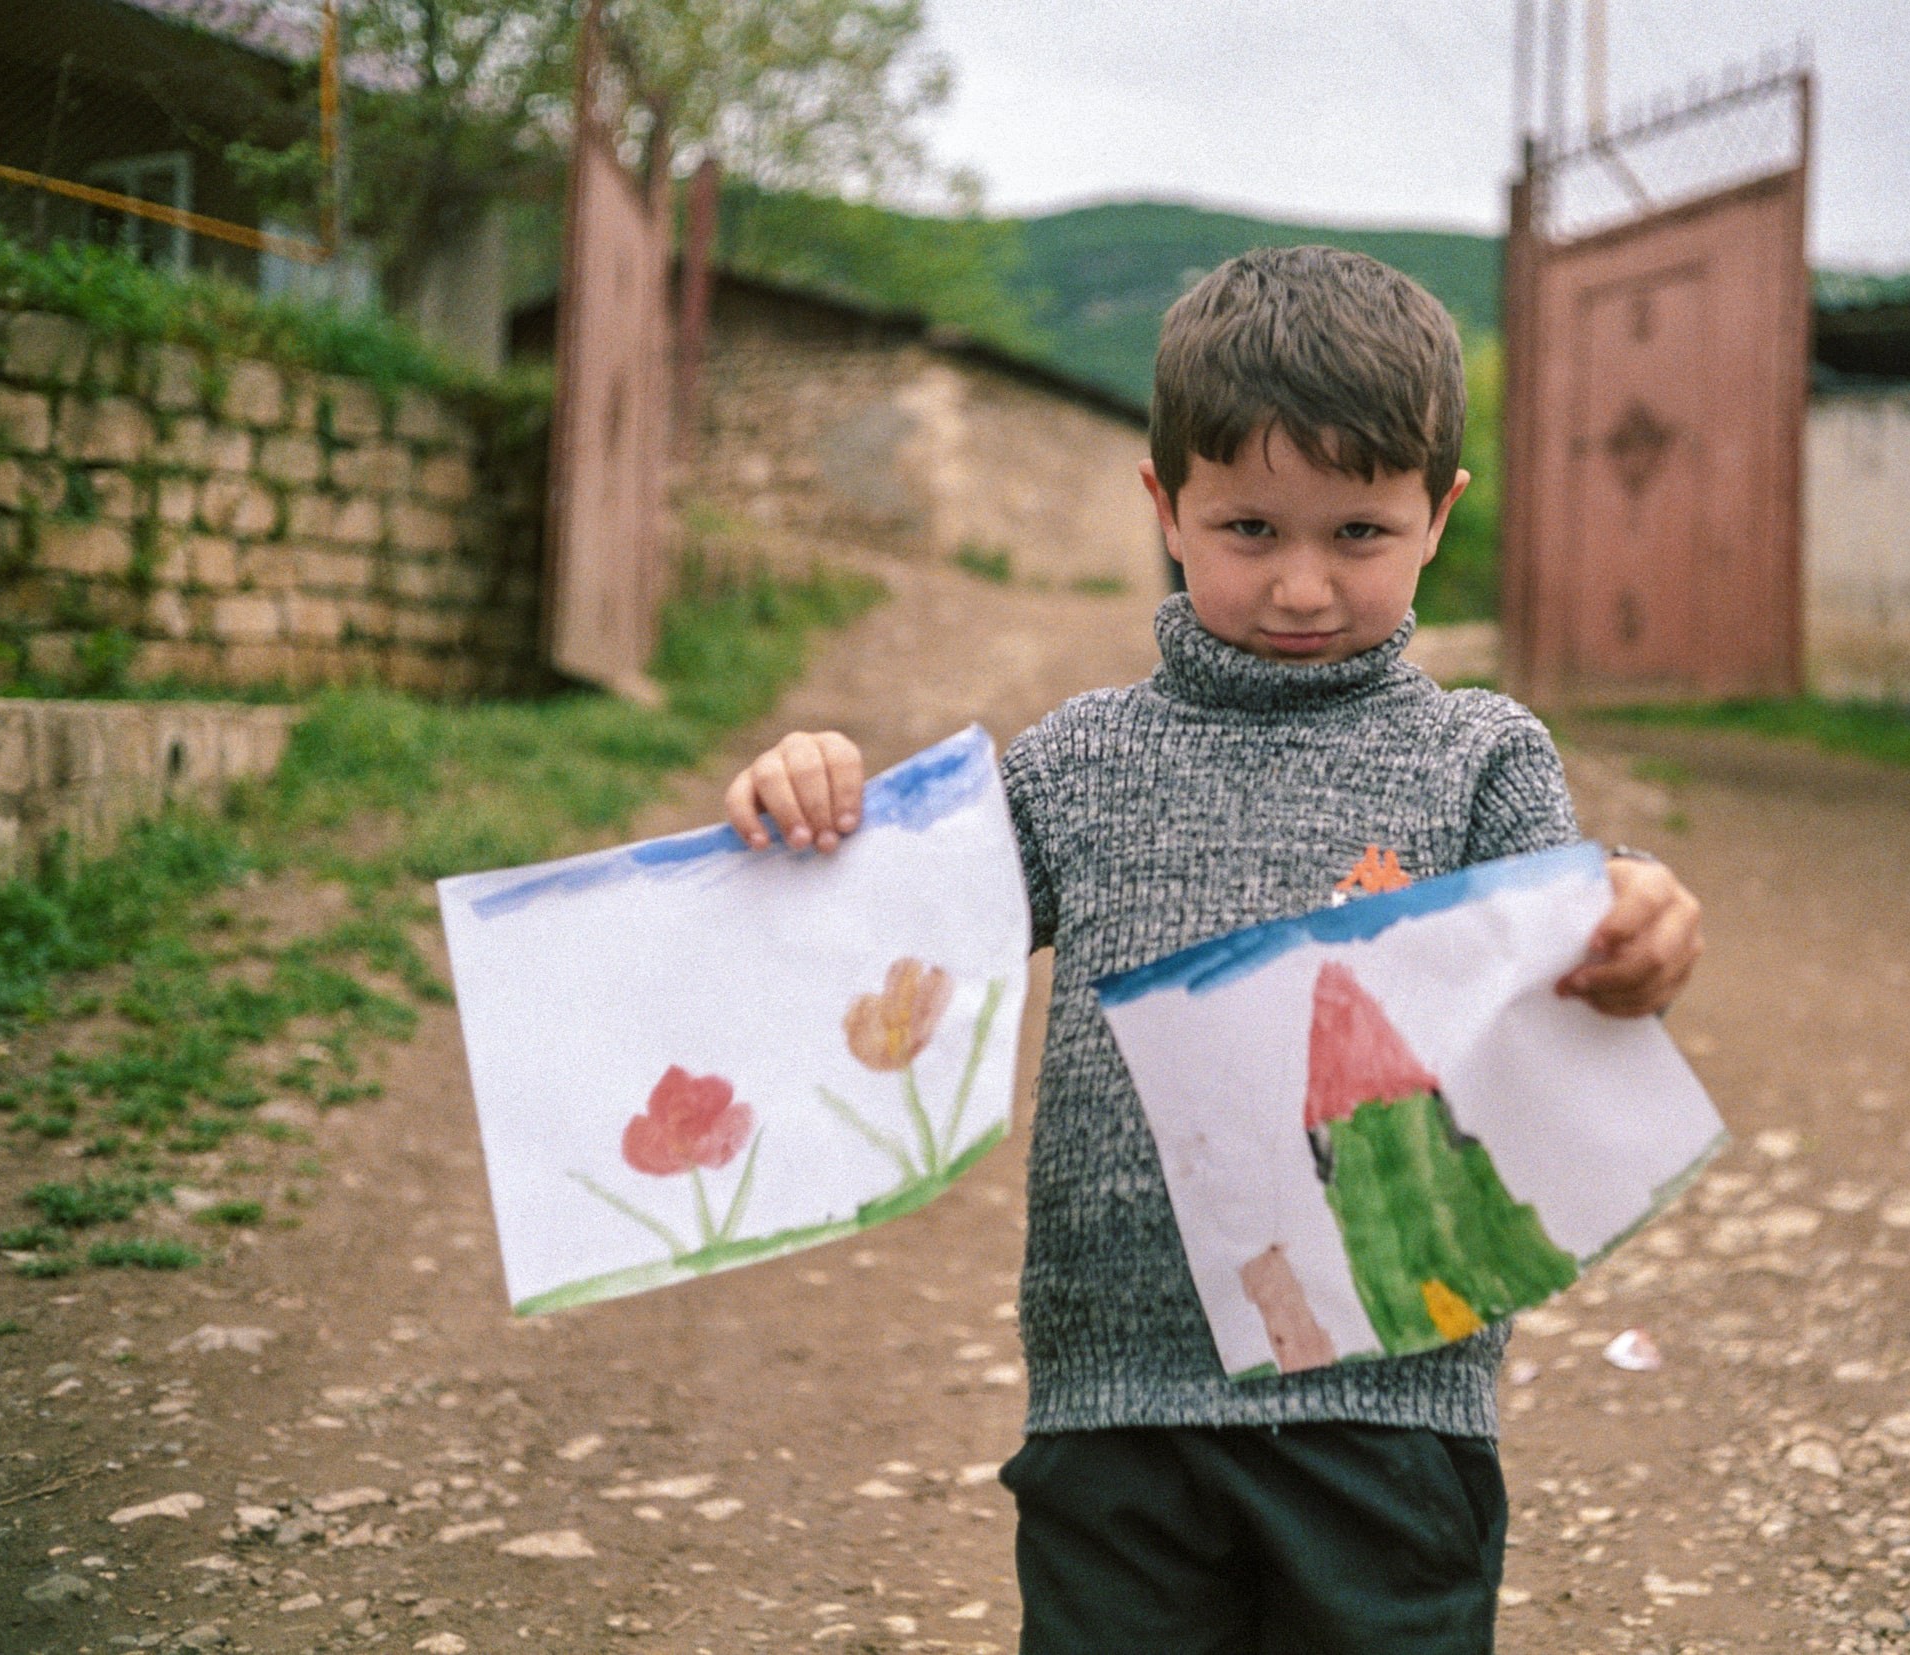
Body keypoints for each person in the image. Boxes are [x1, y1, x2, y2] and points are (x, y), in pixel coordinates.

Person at [723, 245, 1704, 1654]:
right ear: (1164, 507)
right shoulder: (1076, 764)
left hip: (1392, 1409)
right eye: (1250, 528)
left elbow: (1582, 940)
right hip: (1115, 1420)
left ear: (1439, 515)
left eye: (1358, 532)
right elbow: (888, 956)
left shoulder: (1480, 758)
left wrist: (1639, 919)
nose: (1302, 587)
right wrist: (814, 806)